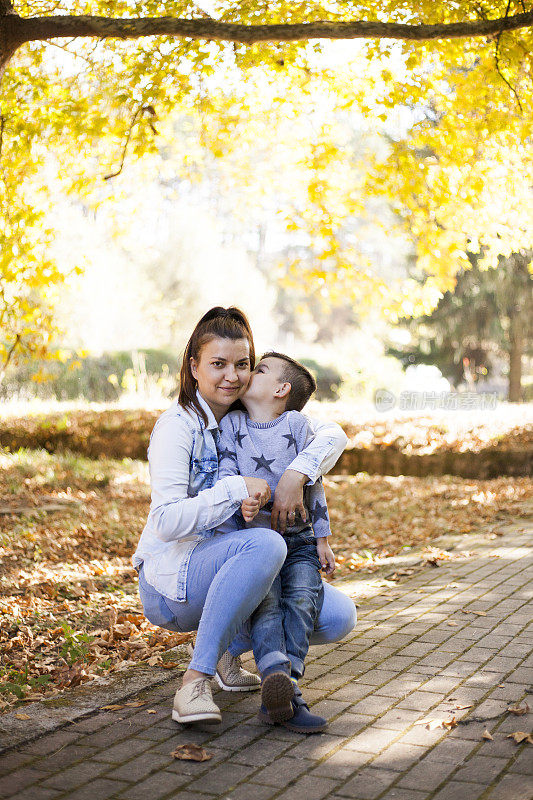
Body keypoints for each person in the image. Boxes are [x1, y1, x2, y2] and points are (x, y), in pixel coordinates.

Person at [132, 306, 356, 725]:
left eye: (242, 364)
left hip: (240, 561)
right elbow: (164, 522)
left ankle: (229, 654)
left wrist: (296, 473)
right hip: (175, 581)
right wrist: (236, 489)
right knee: (265, 543)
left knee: (338, 616)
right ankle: (194, 682)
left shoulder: (245, 421)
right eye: (217, 364)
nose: (232, 376)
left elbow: (332, 433)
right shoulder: (176, 427)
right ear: (194, 366)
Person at [216, 351, 338, 733]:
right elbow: (225, 474)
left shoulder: (298, 425)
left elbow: (314, 484)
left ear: (282, 389)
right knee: (265, 606)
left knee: (302, 599)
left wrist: (323, 538)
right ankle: (277, 679)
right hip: (256, 542)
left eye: (260, 369)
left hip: (300, 540)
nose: (249, 373)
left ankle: (287, 685)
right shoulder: (232, 425)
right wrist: (242, 501)